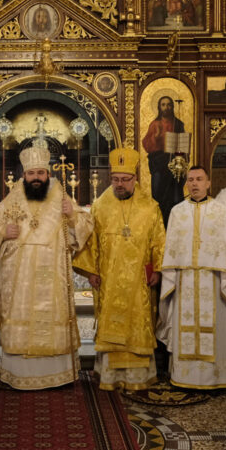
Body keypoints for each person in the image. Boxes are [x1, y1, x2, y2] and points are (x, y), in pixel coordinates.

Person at [0, 144, 92, 389]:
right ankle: (19, 375)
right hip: (20, 276)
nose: (36, 178)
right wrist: (2, 232)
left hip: (53, 272)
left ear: (48, 174)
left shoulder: (61, 196)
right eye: (31, 173)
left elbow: (85, 226)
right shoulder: (13, 198)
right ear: (24, 175)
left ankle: (59, 375)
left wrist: (72, 216)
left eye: (40, 173)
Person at [74, 147, 166, 392]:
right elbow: (91, 242)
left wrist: (158, 269)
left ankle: (138, 376)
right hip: (109, 278)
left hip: (139, 280)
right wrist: (91, 272)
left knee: (138, 323)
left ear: (135, 179)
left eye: (125, 179)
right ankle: (110, 375)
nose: (120, 184)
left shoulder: (150, 207)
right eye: (115, 179)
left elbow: (159, 241)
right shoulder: (100, 206)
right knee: (110, 325)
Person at [157, 166, 226, 390]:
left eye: (199, 179)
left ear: (208, 183)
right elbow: (171, 247)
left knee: (214, 327)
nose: (194, 183)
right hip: (184, 280)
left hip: (213, 281)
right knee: (183, 326)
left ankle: (216, 379)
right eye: (191, 179)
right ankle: (183, 377)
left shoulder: (221, 211)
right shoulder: (177, 212)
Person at [140, 93, 187, 225]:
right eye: (163, 105)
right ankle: (160, 223)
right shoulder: (155, 124)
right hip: (158, 164)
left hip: (174, 164)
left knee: (175, 197)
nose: (166, 107)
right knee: (158, 196)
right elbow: (146, 144)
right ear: (159, 107)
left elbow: (183, 146)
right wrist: (155, 137)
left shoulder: (178, 124)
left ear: (172, 107)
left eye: (169, 105)